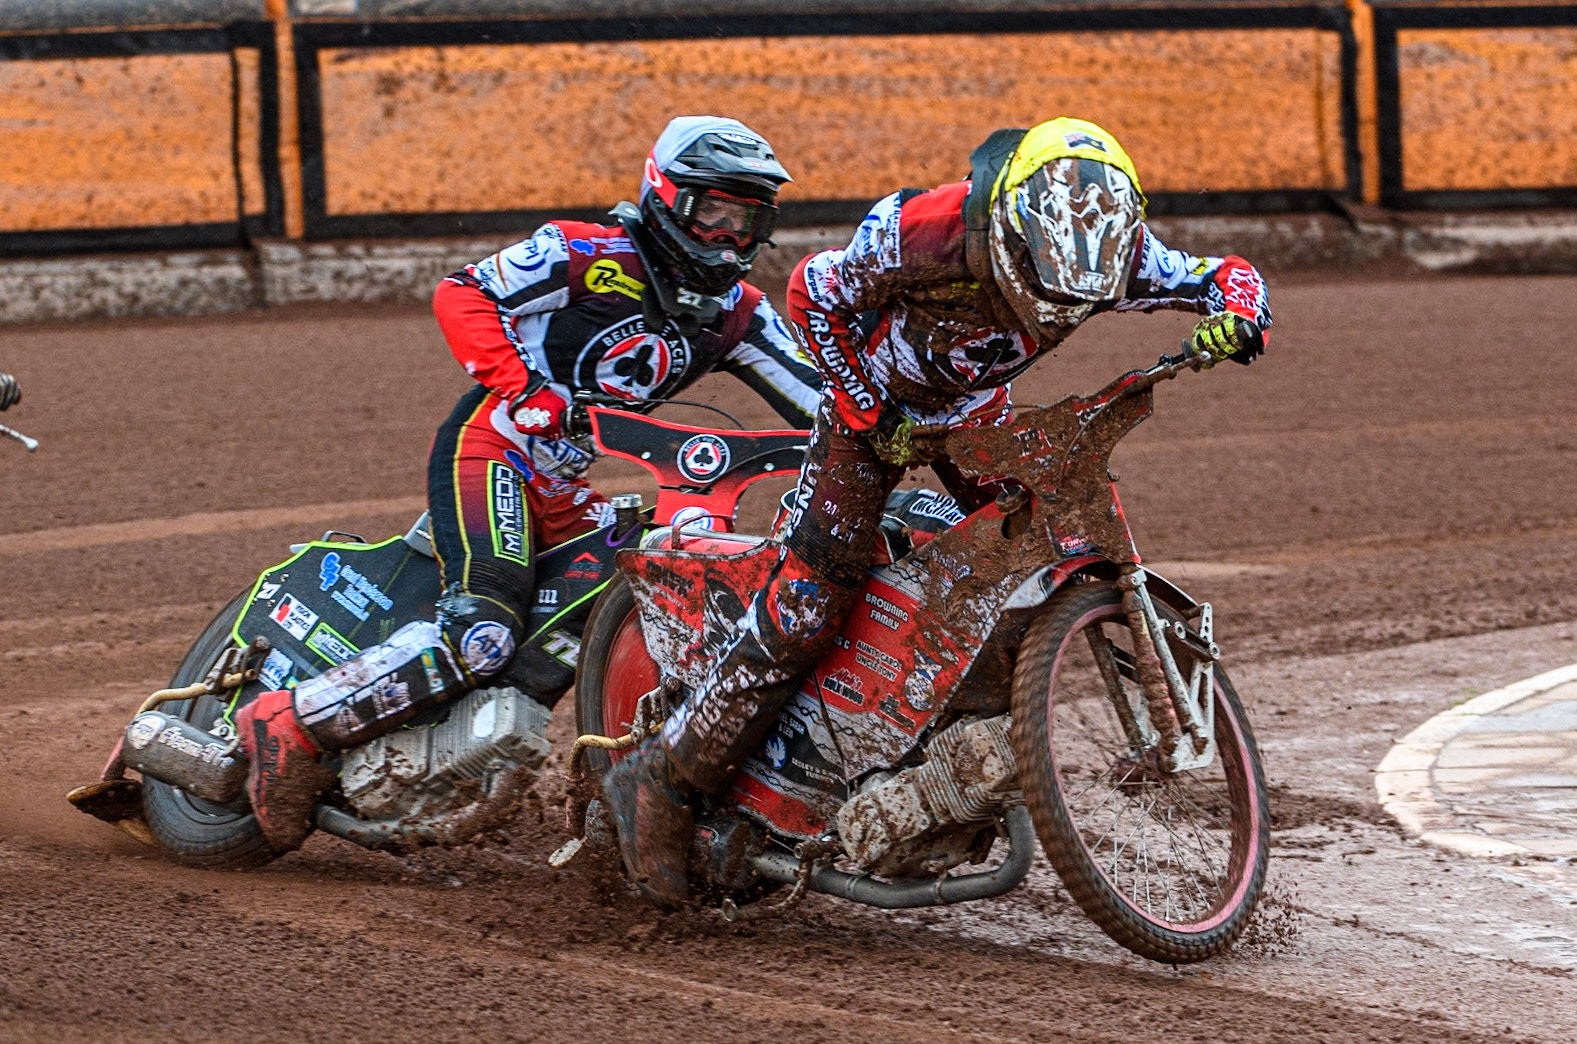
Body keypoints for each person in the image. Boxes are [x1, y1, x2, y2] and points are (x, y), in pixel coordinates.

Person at [601, 117, 1274, 907]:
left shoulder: (1116, 254)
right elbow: (812, 294)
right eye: (1041, 284)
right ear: (1008, 228)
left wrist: (1240, 314)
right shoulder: (921, 232)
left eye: (1078, 300)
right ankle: (663, 780)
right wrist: (863, 415)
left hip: (974, 419)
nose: (1056, 312)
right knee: (811, 603)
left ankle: (935, 762)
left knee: (1029, 560)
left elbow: (1224, 273)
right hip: (872, 410)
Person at [234, 116, 824, 852]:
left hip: (566, 485)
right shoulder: (584, 250)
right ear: (666, 196)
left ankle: (515, 763)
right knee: (482, 632)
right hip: (496, 447)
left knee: (633, 594)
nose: (727, 236)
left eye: (747, 220)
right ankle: (287, 725)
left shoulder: (739, 314)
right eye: (713, 212)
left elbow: (829, 401)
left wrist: (910, 439)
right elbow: (462, 294)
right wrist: (525, 389)